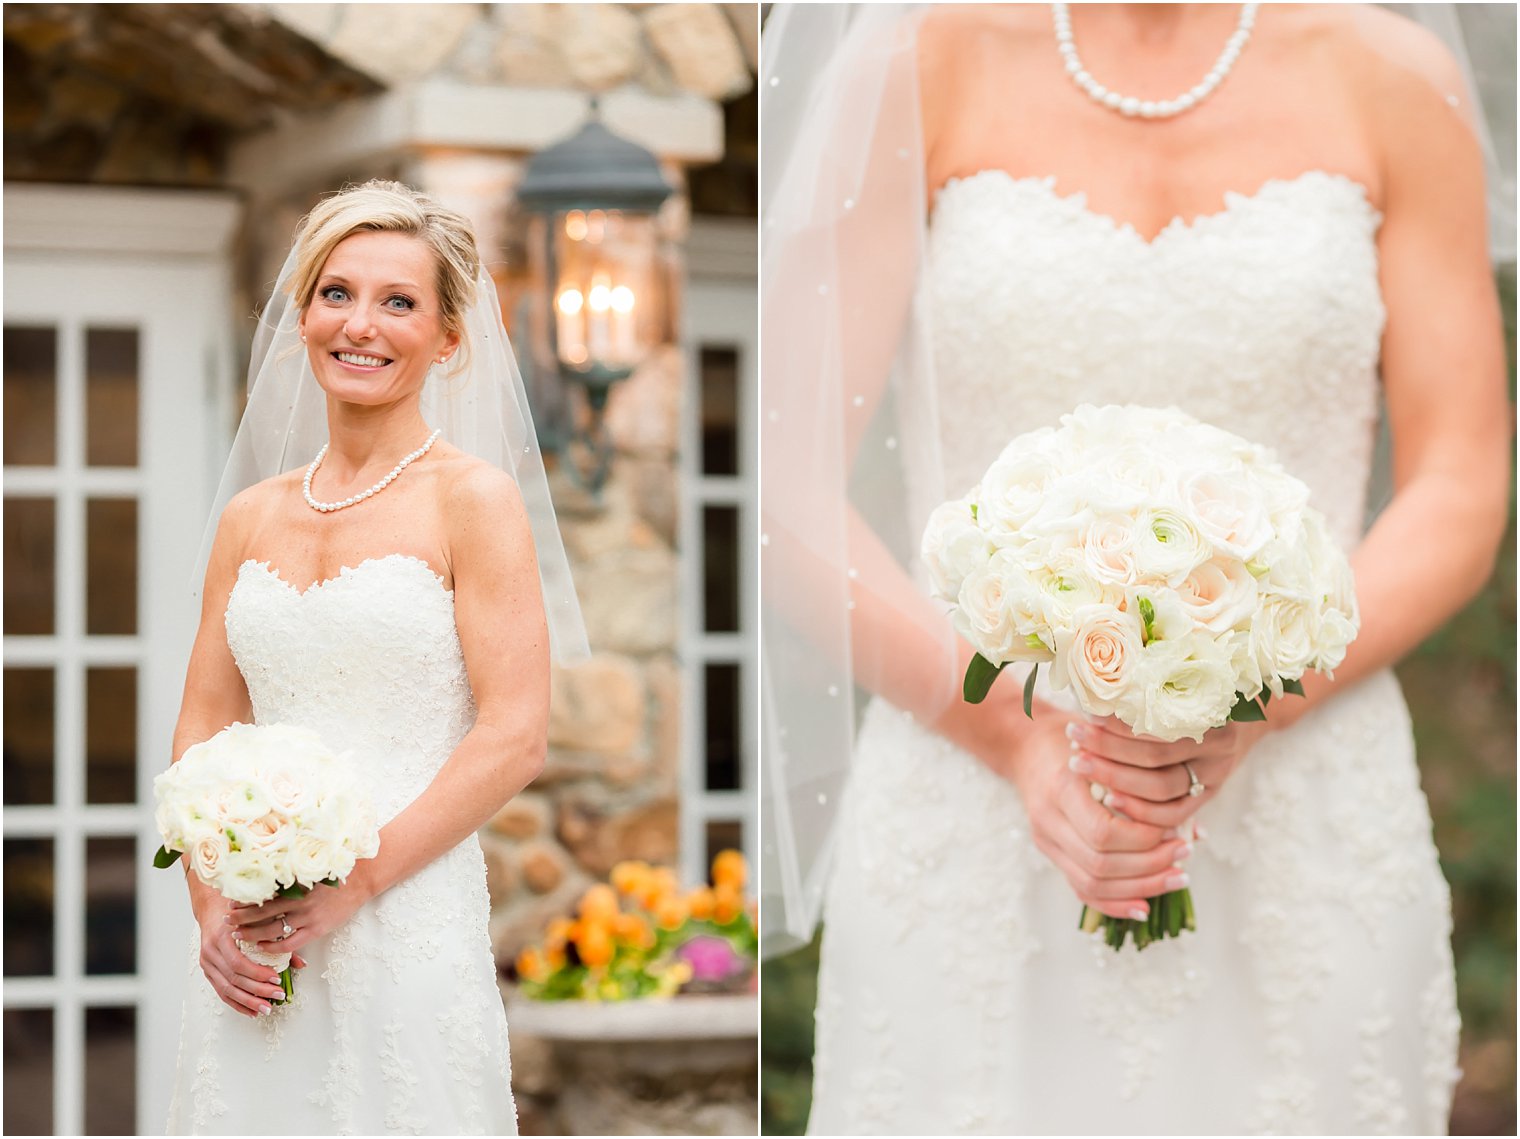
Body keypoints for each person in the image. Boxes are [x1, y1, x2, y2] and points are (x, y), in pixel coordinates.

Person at [760, 4, 1511, 1133]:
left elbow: (1459, 475)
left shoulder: (1390, 77)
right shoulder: (918, 62)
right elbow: (787, 482)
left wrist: (1261, 697)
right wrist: (1016, 734)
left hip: (1303, 796)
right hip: (968, 788)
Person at [165, 180, 586, 1134]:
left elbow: (515, 734)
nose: (361, 324)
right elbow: (204, 722)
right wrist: (209, 910)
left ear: (447, 338)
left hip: (407, 917)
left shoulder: (472, 500)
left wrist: (354, 881)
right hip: (256, 939)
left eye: (399, 302)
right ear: (304, 313)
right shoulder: (249, 516)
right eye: (337, 292)